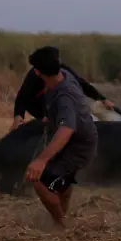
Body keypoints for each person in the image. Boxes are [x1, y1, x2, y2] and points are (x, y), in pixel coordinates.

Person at [24, 47, 99, 229]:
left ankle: (61, 224)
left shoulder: (64, 96)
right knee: (61, 180)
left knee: (39, 181)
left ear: (38, 72)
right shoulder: (64, 75)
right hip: (80, 139)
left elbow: (67, 129)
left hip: (78, 146)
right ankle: (63, 213)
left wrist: (41, 160)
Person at [10, 46, 114, 132]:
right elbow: (22, 95)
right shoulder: (34, 75)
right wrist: (19, 115)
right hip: (37, 104)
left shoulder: (66, 78)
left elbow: (82, 84)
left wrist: (102, 99)